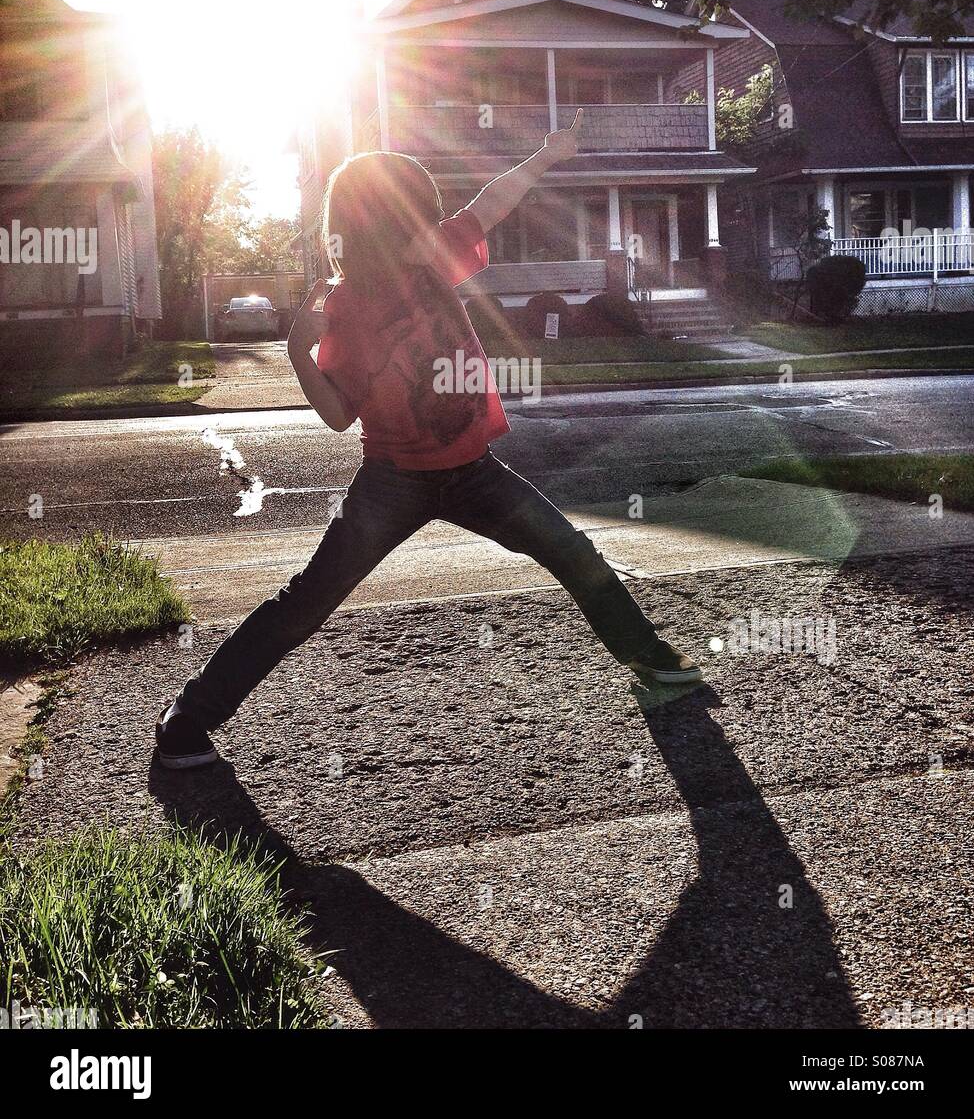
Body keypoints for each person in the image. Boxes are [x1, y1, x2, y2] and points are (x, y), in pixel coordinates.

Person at [156, 111, 701, 770]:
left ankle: (652, 661)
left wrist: (549, 155)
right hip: (392, 482)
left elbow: (492, 201)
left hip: (474, 469)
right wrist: (301, 351)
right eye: (410, 215)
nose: (426, 227)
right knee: (305, 603)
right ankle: (188, 719)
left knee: (570, 549)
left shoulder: (437, 259)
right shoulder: (345, 306)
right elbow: (337, 415)